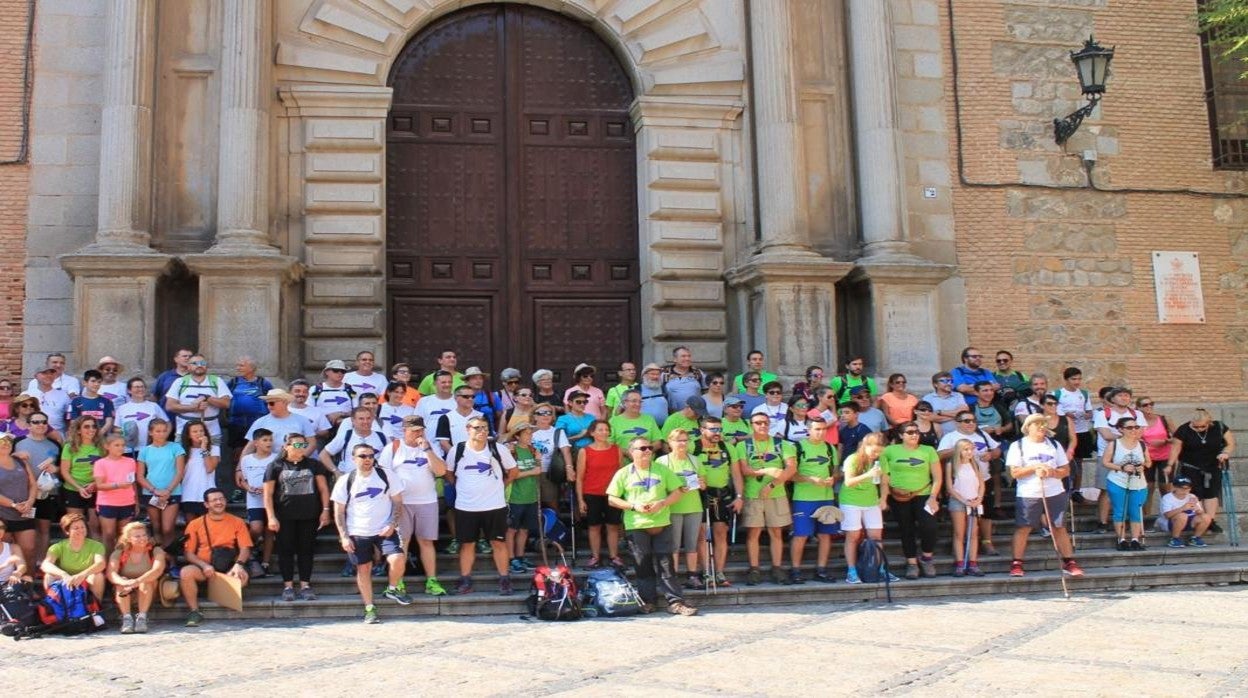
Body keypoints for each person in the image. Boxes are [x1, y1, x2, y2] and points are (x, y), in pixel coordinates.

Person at [606, 438, 698, 616]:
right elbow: (612, 499)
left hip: (662, 523)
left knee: (666, 565)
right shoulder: (623, 473)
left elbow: (677, 491)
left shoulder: (662, 469)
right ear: (632, 451)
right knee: (642, 565)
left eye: (649, 447)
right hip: (637, 525)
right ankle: (648, 601)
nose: (648, 451)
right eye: (643, 448)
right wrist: (634, 506)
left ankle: (675, 602)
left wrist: (663, 503)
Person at [377, 415, 450, 596]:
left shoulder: (429, 447)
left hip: (427, 501)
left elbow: (441, 471)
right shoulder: (393, 448)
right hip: (402, 503)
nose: (419, 433)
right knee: (402, 542)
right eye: (414, 430)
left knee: (426, 542)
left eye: (421, 430)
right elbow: (383, 476)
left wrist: (427, 450)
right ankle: (398, 581)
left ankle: (432, 581)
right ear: (405, 430)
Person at [445, 416, 517, 596]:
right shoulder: (458, 449)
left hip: (495, 505)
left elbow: (513, 471)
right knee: (467, 545)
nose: (482, 431)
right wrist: (462, 488)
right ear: (468, 429)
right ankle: (465, 579)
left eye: (485, 427)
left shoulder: (498, 449)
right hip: (466, 507)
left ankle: (504, 579)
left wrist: (501, 485)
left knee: (498, 543)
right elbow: (449, 473)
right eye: (477, 428)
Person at [1006, 415, 1084, 577]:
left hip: (1054, 491)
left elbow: (1065, 470)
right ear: (1028, 427)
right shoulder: (1018, 445)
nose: (1041, 427)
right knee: (1024, 527)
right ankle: (1017, 563)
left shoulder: (1054, 445)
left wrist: (1052, 472)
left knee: (1059, 527)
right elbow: (1014, 473)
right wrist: (1035, 468)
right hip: (1029, 492)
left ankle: (1069, 561)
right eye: (1037, 424)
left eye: (1043, 424)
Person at [264, 433, 331, 601]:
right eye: (298, 445)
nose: (302, 448)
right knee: (285, 550)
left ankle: (305, 585)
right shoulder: (275, 466)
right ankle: (287, 586)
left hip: (309, 515)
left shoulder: (313, 464)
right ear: (286, 446)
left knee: (306, 550)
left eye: (304, 445)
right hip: (284, 516)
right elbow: (268, 494)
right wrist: (271, 517)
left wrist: (325, 510)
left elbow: (323, 489)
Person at [179, 488, 253, 627]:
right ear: (206, 504)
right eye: (214, 500)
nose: (219, 502)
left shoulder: (237, 521)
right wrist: (204, 565)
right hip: (205, 568)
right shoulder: (195, 524)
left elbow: (245, 548)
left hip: (228, 567)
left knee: (242, 575)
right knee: (185, 572)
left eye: (221, 499)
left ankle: (223, 593)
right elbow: (188, 553)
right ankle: (194, 611)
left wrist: (238, 564)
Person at [740, 412, 796, 585]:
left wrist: (771, 485)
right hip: (752, 493)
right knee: (753, 533)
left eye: (765, 422)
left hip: (776, 493)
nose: (762, 426)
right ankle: (754, 569)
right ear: (751, 424)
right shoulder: (744, 445)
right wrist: (766, 471)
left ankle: (777, 568)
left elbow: (791, 469)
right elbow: (744, 470)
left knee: (776, 532)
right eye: (758, 423)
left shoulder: (782, 444)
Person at [882, 421, 942, 578]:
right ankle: (912, 563)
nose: (914, 434)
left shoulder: (928, 450)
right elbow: (884, 475)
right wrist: (890, 491)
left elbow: (937, 477)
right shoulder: (889, 450)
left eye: (916, 432)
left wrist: (933, 497)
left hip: (924, 493)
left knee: (929, 527)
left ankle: (927, 558)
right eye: (909, 432)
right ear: (901, 435)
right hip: (899, 497)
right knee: (906, 529)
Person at [937, 410, 1001, 554]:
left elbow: (997, 449)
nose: (971, 423)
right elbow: (939, 454)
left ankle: (986, 541)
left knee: (987, 512)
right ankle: (961, 545)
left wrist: (991, 454)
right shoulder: (950, 437)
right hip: (959, 484)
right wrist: (959, 449)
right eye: (966, 421)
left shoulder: (982, 434)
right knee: (959, 515)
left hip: (983, 478)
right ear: (957, 423)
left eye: (973, 420)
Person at [691, 416, 743, 585]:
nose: (717, 433)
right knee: (702, 535)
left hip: (722, 495)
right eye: (713, 429)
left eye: (719, 429)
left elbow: (736, 473)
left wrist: (739, 497)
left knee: (721, 534)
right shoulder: (693, 446)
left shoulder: (727, 447)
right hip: (700, 494)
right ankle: (706, 572)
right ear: (702, 430)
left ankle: (719, 572)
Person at [1167, 408, 1234, 534]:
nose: (1198, 429)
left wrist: (1225, 453)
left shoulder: (1219, 427)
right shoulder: (1184, 429)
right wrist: (1170, 464)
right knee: (1194, 493)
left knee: (1211, 493)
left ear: (1209, 422)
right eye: (1195, 426)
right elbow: (1176, 448)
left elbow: (1230, 444)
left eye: (1202, 427)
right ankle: (1198, 519)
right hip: (1190, 466)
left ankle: (1210, 520)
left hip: (1213, 465)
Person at [789, 416, 839, 584]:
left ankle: (822, 569)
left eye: (824, 429)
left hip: (826, 498)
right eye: (817, 429)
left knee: (825, 535)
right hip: (804, 498)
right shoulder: (798, 447)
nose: (821, 432)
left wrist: (834, 478)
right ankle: (795, 570)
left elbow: (836, 470)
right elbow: (790, 475)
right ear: (808, 430)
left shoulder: (830, 448)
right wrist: (811, 479)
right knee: (801, 535)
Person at [656, 428, 706, 589]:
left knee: (692, 543)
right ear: (670, 443)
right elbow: (658, 487)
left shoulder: (695, 460)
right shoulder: (662, 462)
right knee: (674, 544)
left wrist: (700, 483)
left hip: (694, 506)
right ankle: (673, 576)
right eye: (679, 440)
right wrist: (676, 489)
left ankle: (692, 575)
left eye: (685, 440)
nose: (683, 443)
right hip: (673, 507)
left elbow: (704, 485)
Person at [1093, 388, 1148, 533]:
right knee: (1105, 489)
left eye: (1127, 395)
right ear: (1113, 398)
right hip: (1108, 455)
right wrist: (1127, 437)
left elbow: (1140, 433)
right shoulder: (1103, 413)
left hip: (1133, 456)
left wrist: (1126, 435)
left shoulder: (1137, 414)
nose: (1124, 398)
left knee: (1132, 490)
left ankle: (1130, 523)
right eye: (1120, 395)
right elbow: (1106, 434)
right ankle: (1103, 522)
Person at [840, 433, 893, 584]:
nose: (876, 455)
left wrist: (883, 499)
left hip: (871, 501)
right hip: (851, 500)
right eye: (874, 451)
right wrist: (868, 474)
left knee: (876, 535)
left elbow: (884, 482)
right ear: (865, 446)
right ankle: (852, 571)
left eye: (880, 452)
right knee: (853, 536)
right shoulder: (853, 459)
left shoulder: (881, 460)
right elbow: (849, 482)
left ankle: (881, 569)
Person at [576, 420, 625, 569]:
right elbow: (579, 477)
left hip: (613, 494)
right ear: (592, 433)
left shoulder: (617, 449)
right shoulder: (585, 451)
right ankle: (595, 557)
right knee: (594, 526)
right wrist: (580, 500)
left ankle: (614, 556)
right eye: (600, 430)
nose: (604, 432)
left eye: (606, 429)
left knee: (613, 526)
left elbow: (622, 473)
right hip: (592, 493)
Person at [16, 411, 62, 565]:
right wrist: (15, 455)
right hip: (25, 493)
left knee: (44, 529)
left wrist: (56, 469)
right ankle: (26, 563)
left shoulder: (54, 444)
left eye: (44, 422)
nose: (41, 425)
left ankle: (41, 563)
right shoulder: (18, 443)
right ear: (28, 425)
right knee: (27, 529)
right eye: (36, 422)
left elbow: (64, 468)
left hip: (47, 493)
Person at [108, 521, 167, 634]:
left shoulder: (155, 550)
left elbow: (157, 570)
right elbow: (111, 573)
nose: (142, 538)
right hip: (126, 591)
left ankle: (142, 618)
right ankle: (127, 619)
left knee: (146, 581)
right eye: (137, 536)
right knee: (121, 582)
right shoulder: (119, 552)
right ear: (129, 539)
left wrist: (137, 581)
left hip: (148, 590)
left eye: (144, 535)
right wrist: (124, 582)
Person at [1103, 416, 1152, 550]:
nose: (1134, 430)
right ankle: (1122, 539)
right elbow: (1106, 462)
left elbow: (1148, 462)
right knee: (1120, 511)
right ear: (1121, 429)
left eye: (1136, 427)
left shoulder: (1142, 444)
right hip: (1118, 481)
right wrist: (1122, 468)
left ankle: (1136, 539)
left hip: (1139, 483)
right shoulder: (1114, 444)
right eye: (1129, 427)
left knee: (1136, 510)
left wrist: (1143, 466)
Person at [138, 419, 187, 549]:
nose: (162, 434)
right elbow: (140, 476)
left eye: (164, 431)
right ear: (150, 432)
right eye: (158, 431)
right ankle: (159, 557)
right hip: (152, 493)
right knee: (157, 528)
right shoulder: (145, 451)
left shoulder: (176, 447)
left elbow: (180, 472)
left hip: (172, 492)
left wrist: (168, 490)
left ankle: (171, 559)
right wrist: (154, 490)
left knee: (168, 528)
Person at [237, 428, 277, 578]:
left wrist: (267, 488)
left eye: (270, 440)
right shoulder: (246, 459)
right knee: (256, 528)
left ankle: (265, 563)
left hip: (271, 500)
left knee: (269, 530)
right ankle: (250, 547)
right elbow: (244, 480)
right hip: (254, 500)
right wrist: (249, 488)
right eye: (265, 440)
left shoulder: (275, 458)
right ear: (255, 443)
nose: (269, 443)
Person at [164, 354, 232, 439]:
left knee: (211, 453)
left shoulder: (217, 381)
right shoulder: (180, 382)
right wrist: (192, 408)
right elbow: (169, 406)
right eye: (195, 363)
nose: (199, 365)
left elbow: (226, 403)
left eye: (202, 363)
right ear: (188, 367)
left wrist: (207, 398)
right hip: (185, 433)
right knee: (183, 453)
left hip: (211, 434)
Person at [504, 423, 542, 575]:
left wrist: (538, 460)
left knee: (524, 530)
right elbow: (511, 475)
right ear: (517, 436)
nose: (529, 436)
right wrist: (532, 471)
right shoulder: (512, 452)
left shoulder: (533, 450)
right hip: (514, 497)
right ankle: (511, 558)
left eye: (530, 434)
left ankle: (520, 556)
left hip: (530, 496)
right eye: (526, 434)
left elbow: (538, 470)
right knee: (511, 529)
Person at [41, 512, 106, 599]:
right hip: (65, 580)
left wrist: (82, 575)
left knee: (98, 577)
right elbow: (45, 565)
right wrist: (64, 575)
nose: (81, 530)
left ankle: (96, 608)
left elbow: (101, 564)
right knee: (48, 576)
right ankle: (55, 606)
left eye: (83, 527)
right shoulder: (57, 547)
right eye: (76, 528)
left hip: (85, 578)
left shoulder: (96, 545)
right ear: (67, 531)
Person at [945, 439, 985, 576]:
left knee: (974, 533)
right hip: (959, 501)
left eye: (971, 449)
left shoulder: (975, 465)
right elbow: (950, 488)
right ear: (959, 451)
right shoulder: (952, 465)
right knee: (959, 533)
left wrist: (979, 498)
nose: (969, 452)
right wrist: (964, 500)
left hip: (974, 501)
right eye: (965, 449)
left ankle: (973, 563)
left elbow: (981, 483)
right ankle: (960, 563)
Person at [92, 434, 138, 551]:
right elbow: (99, 485)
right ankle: (107, 563)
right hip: (107, 503)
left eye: (122, 445)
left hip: (127, 502)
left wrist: (136, 501)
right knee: (108, 535)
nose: (120, 448)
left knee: (124, 536)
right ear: (107, 446)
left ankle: (120, 563)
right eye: (116, 445)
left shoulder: (130, 461)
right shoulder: (100, 463)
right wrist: (118, 485)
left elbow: (133, 483)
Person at [225, 357, 274, 466]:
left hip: (258, 425)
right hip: (236, 424)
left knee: (258, 452)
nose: (238, 368)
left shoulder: (263, 383)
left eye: (241, 365)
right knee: (237, 455)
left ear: (251, 368)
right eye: (237, 365)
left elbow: (271, 401)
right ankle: (236, 477)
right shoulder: (233, 382)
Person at [60, 416, 103, 538]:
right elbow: (65, 471)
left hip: (95, 489)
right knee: (75, 526)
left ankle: (97, 556)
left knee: (95, 526)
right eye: (87, 426)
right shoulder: (69, 447)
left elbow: (107, 468)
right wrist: (79, 488)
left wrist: (95, 484)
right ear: (78, 430)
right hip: (73, 489)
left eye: (94, 426)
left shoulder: (102, 446)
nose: (91, 429)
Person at [0, 432, 37, 570]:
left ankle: (29, 585)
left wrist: (30, 501)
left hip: (25, 512)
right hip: (2, 516)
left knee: (30, 550)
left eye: (8, 442)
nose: (5, 445)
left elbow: (33, 484)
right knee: (4, 554)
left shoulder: (21, 461)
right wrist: (14, 505)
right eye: (1, 442)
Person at [244, 389, 317, 454]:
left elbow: (311, 444)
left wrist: (300, 458)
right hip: (269, 465)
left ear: (284, 402)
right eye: (267, 403)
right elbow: (250, 446)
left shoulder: (302, 420)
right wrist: (239, 468)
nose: (269, 406)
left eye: (272, 403)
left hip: (296, 464)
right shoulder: (260, 422)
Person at [321, 407, 389, 476]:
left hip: (375, 480)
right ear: (353, 420)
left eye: (368, 418)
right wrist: (336, 471)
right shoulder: (345, 436)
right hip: (350, 480)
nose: (365, 421)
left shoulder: (382, 437)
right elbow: (323, 455)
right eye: (361, 419)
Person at [1137, 396, 1174, 517]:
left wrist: (1166, 441)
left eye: (1151, 404)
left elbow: (1177, 437)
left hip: (1165, 456)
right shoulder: (1137, 422)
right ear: (1138, 408)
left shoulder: (1164, 419)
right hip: (1147, 458)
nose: (1149, 407)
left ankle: (1168, 515)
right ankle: (1146, 517)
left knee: (1166, 487)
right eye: (1145, 405)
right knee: (1148, 488)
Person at [114, 377, 169, 456]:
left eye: (142, 386)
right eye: (137, 387)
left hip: (150, 448)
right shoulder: (122, 408)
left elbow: (167, 423)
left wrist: (162, 438)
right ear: (129, 390)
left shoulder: (153, 406)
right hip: (128, 450)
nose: (140, 389)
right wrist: (127, 431)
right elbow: (116, 428)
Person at [178, 419, 221, 519]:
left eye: (201, 431)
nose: (199, 433)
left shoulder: (214, 449)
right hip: (188, 494)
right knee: (191, 527)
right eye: (195, 431)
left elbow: (209, 468)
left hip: (208, 493)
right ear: (189, 435)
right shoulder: (181, 450)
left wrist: (204, 449)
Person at [1160, 476, 1212, 547]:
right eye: (1181, 488)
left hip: (1189, 522)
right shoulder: (1167, 498)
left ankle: (1195, 538)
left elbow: (1201, 513)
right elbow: (1167, 515)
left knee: (1206, 517)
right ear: (1174, 487)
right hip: (1170, 523)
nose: (1185, 490)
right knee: (1182, 516)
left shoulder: (1192, 496)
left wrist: (1198, 510)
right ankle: (1175, 538)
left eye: (1187, 488)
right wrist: (1182, 508)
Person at [609, 390, 662, 457]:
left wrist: (644, 452)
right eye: (634, 401)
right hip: (623, 464)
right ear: (624, 402)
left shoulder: (649, 419)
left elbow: (658, 443)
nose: (638, 404)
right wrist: (627, 453)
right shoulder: (614, 421)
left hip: (647, 463)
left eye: (640, 401)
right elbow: (609, 444)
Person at [414, 371, 458, 450]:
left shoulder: (458, 401)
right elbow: (417, 424)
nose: (447, 385)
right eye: (443, 382)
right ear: (434, 383)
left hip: (453, 447)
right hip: (429, 447)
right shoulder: (424, 401)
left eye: (450, 382)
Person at [312, 360, 357, 428]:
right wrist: (327, 417)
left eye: (343, 371)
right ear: (327, 372)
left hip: (345, 424)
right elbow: (308, 410)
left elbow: (357, 411)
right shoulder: (315, 389)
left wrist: (340, 414)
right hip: (321, 425)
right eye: (336, 370)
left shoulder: (351, 389)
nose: (339, 373)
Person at [69, 369, 116, 433]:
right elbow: (73, 421)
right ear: (84, 383)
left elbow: (109, 421)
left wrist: (100, 433)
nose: (96, 384)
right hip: (82, 437)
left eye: (99, 382)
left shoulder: (107, 401)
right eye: (93, 381)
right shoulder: (76, 401)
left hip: (101, 437)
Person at [661, 346, 706, 414]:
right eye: (683, 356)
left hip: (695, 415)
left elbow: (707, 392)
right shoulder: (664, 373)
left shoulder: (698, 373)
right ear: (675, 359)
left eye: (689, 356)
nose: (687, 358)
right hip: (672, 415)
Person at [30, 366, 71, 436]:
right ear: (35, 376)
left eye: (51, 373)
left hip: (58, 436)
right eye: (44, 373)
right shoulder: (28, 395)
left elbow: (69, 417)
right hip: (33, 436)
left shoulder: (63, 395)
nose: (49, 375)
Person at [288, 380, 332, 444]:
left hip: (311, 450)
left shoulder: (316, 412)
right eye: (297, 391)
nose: (301, 394)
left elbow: (325, 431)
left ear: (308, 394)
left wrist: (308, 435)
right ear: (289, 393)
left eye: (305, 392)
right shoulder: (281, 410)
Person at [465, 367, 503, 435]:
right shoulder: (461, 397)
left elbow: (501, 417)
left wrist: (499, 434)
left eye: (480, 378)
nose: (478, 381)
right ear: (466, 381)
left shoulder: (492, 396)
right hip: (466, 433)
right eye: (474, 378)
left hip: (488, 434)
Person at [0, 518, 31, 585]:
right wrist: (6, 564)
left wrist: (18, 572)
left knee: (27, 578)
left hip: (6, 584)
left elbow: (22, 565)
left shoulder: (13, 547)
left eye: (2, 527)